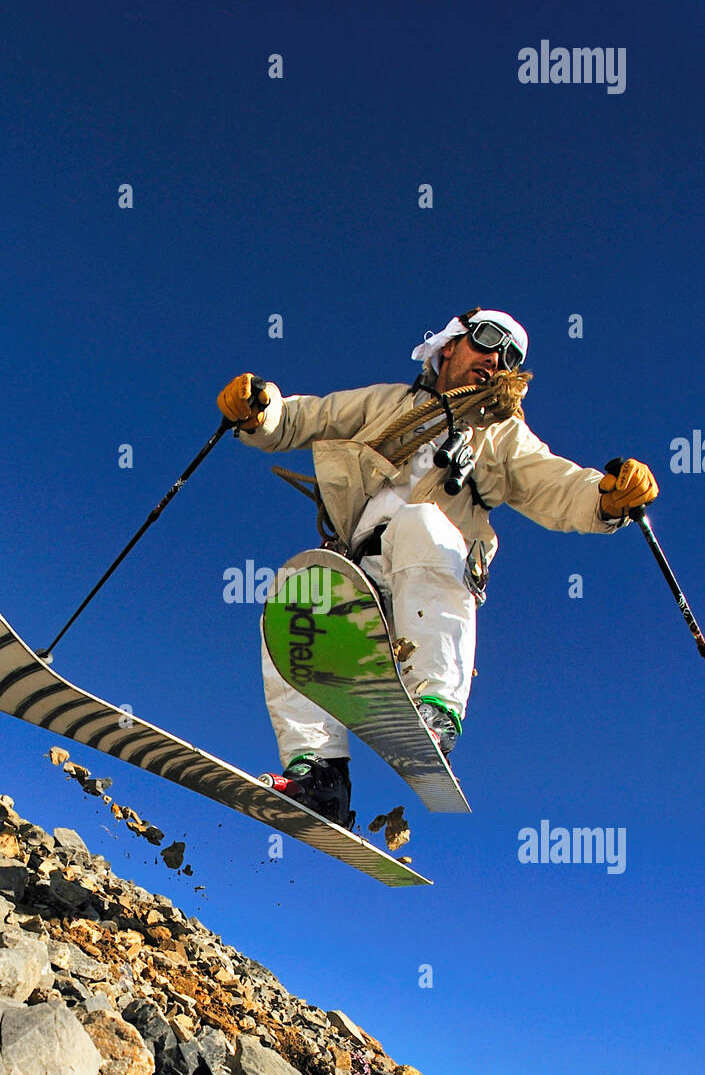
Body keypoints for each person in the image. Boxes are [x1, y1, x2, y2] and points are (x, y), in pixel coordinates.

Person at [216, 308, 658, 826]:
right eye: (489, 342)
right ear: (450, 344)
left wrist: (605, 499)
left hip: (431, 576)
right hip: (361, 571)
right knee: (297, 587)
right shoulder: (385, 404)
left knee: (422, 521)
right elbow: (301, 418)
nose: (497, 360)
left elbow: (556, 483)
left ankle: (435, 712)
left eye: (512, 357)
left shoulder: (500, 436)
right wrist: (260, 410)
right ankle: (321, 778)